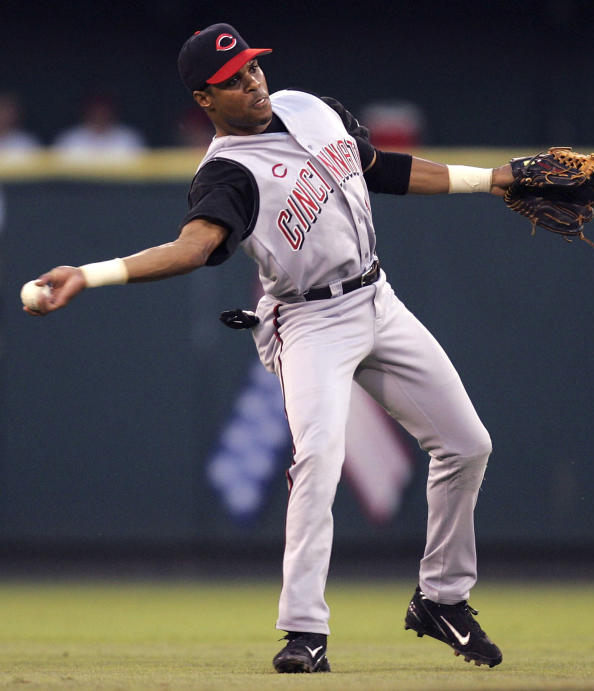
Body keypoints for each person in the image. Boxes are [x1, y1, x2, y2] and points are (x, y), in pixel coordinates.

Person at [24, 23, 515, 673]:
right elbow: (191, 249)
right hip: (309, 321)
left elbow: (380, 169)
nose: (251, 82)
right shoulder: (227, 172)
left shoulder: (310, 107)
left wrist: (497, 180)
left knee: (466, 442)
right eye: (233, 80)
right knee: (319, 458)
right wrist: (93, 272)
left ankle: (442, 598)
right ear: (206, 98)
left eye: (252, 67)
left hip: (377, 296)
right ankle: (304, 631)